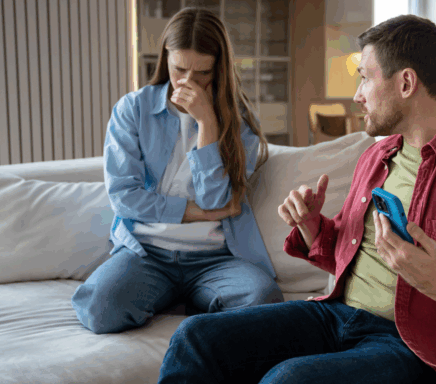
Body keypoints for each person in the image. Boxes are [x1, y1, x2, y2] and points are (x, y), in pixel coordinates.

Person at [157, 14, 436, 384]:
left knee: (289, 381)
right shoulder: (377, 156)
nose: (357, 95)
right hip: (338, 315)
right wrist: (315, 228)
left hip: (417, 349)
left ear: (406, 83)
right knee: (195, 337)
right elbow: (351, 254)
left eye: (365, 78)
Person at [71, 8, 283, 335]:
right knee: (100, 307)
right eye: (179, 69)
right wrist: (193, 213)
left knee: (263, 299)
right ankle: (170, 294)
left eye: (202, 73)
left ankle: (188, 299)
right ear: (165, 58)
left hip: (216, 259)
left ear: (219, 69)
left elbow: (217, 200)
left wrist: (207, 124)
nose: (188, 82)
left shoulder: (238, 123)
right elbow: (124, 198)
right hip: (146, 253)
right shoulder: (133, 110)